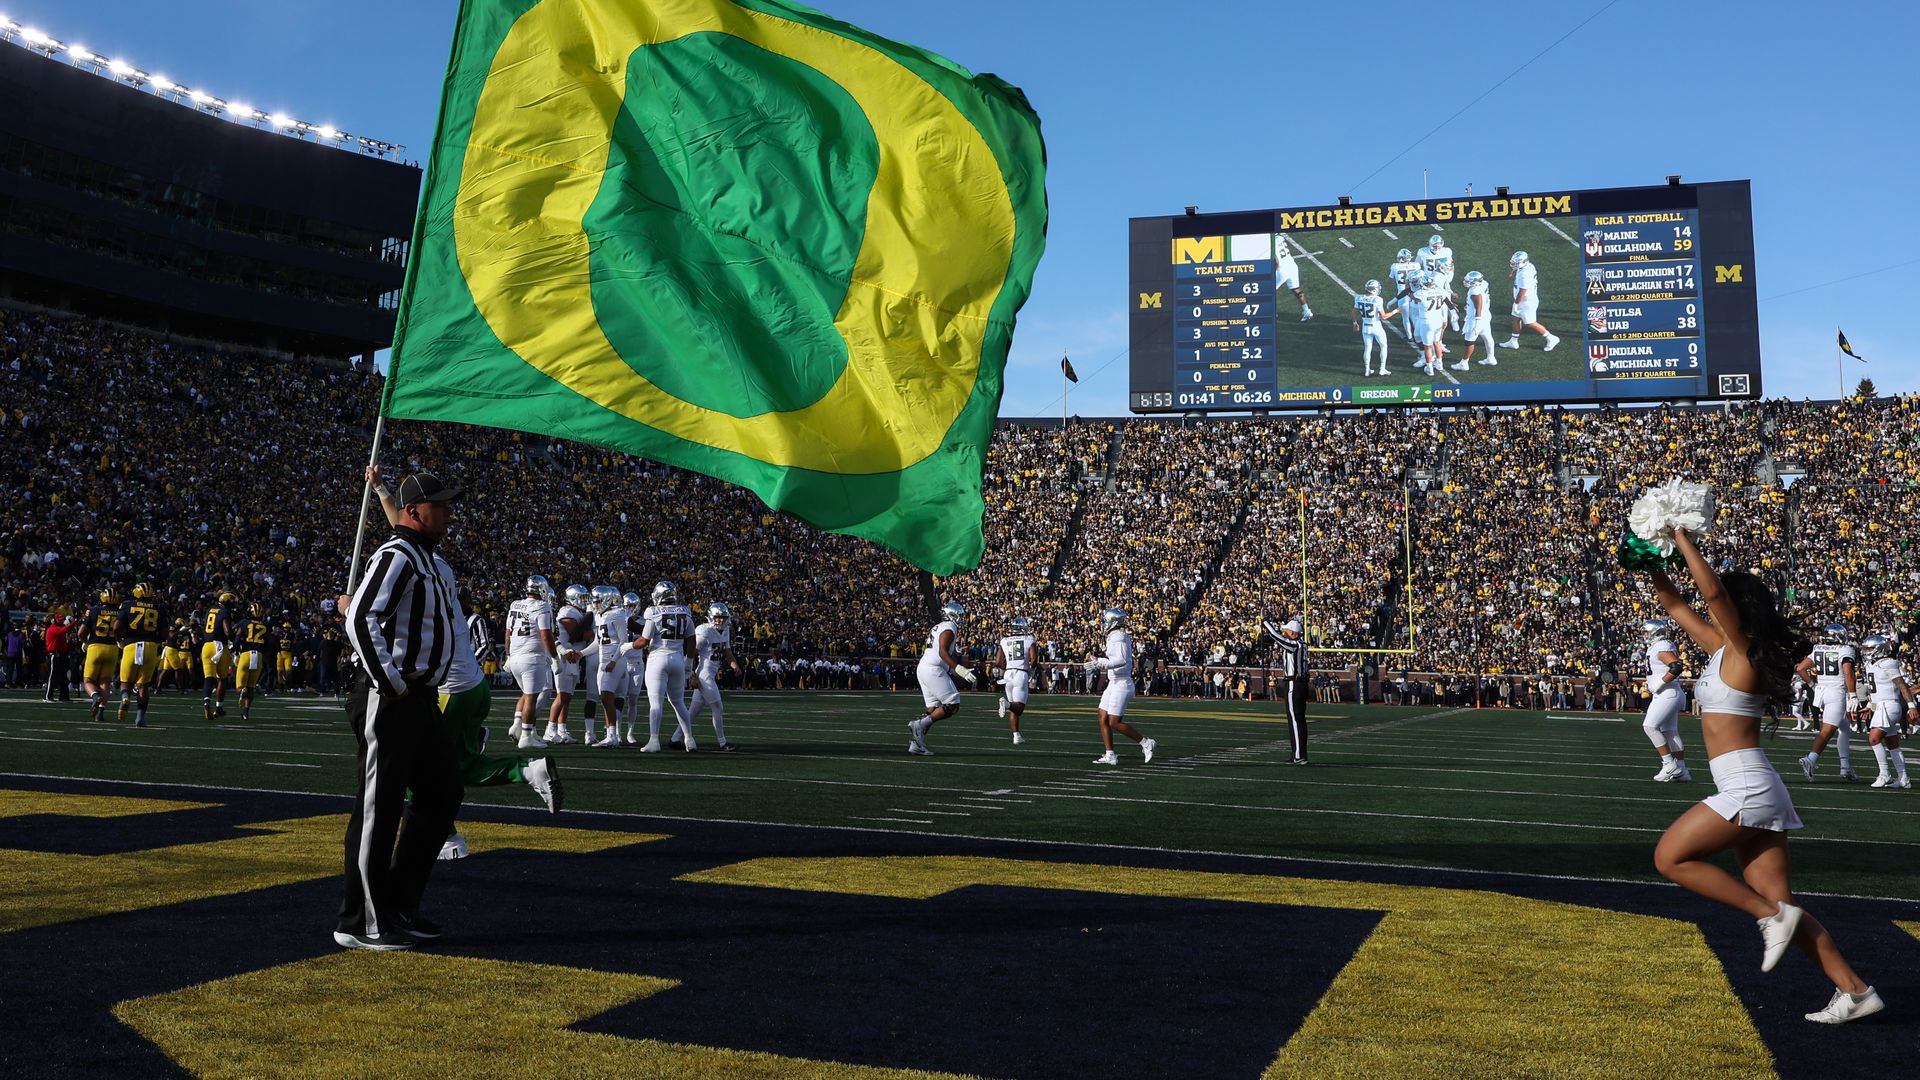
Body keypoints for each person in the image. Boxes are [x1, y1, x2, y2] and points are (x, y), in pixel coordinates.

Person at [1645, 527, 1881, 1024]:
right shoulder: (1720, 651)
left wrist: (1683, 533)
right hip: (1752, 786)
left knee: (1670, 857)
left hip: (1747, 787)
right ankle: (1855, 991)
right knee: (1785, 904)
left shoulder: (1746, 651)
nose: (1711, 609)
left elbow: (1708, 593)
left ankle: (1768, 917)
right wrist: (1648, 561)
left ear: (1737, 605)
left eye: (1722, 603)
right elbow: (1677, 606)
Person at [336, 469, 467, 951]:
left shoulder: (426, 559)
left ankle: (397, 903)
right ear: (415, 511)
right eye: (440, 504)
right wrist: (390, 682)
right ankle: (362, 920)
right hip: (391, 696)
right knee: (380, 806)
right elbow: (360, 616)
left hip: (421, 698)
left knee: (442, 792)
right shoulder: (397, 556)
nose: (448, 512)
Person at [631, 580, 698, 753]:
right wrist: (689, 663)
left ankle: (654, 741)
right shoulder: (685, 611)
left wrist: (627, 646)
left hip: (658, 658)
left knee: (656, 703)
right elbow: (692, 640)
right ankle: (689, 739)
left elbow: (644, 641)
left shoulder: (652, 611)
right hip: (677, 659)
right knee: (679, 702)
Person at [1087, 607, 1154, 765]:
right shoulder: (1114, 636)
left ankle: (1146, 743)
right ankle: (1110, 754)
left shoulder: (1118, 636)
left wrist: (1099, 663)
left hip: (1121, 683)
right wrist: (1097, 661)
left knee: (1114, 722)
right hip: (1113, 682)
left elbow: (1121, 660)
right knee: (1102, 717)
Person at [908, 601, 976, 756]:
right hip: (933, 669)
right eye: (959, 615)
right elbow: (942, 653)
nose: (962, 618)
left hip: (925, 667)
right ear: (952, 614)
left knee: (932, 709)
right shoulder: (949, 628)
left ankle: (917, 743)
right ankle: (919, 725)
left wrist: (953, 668)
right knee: (953, 704)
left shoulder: (939, 627)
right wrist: (959, 668)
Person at [1796, 625, 1860, 781]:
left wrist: (1812, 685)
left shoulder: (1818, 648)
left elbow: (1800, 668)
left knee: (1845, 728)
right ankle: (1811, 759)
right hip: (1836, 693)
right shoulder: (1845, 650)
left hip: (1822, 692)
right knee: (1827, 731)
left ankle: (1845, 766)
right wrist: (1852, 695)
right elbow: (1847, 671)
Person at [504, 575, 558, 749]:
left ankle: (522, 728)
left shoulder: (514, 605)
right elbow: (545, 635)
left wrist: (508, 655)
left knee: (527, 695)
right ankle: (526, 736)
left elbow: (508, 633)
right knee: (532, 699)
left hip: (515, 658)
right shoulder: (542, 606)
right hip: (532, 658)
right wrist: (555, 658)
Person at [1859, 634, 1914, 788]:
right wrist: (1871, 707)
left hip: (1889, 705)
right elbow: (1876, 692)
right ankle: (1904, 779)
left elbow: (1902, 685)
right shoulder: (1871, 665)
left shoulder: (1889, 663)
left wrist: (1911, 706)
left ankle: (1885, 774)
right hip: (1881, 706)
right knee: (1892, 744)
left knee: (1874, 739)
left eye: (1869, 648)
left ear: (1879, 649)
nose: (1866, 651)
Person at [1639, 618, 1692, 782]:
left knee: (1649, 726)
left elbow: (1676, 667)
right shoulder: (1655, 647)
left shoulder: (1662, 646)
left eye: (1647, 632)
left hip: (1667, 692)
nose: (1645, 635)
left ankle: (1669, 764)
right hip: (1666, 693)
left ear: (1656, 633)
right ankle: (1682, 770)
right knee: (1670, 732)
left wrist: (1659, 683)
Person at [686, 601, 741, 751]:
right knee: (717, 706)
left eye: (723, 617)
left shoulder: (726, 631)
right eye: (717, 617)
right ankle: (722, 743)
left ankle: (675, 739)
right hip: (704, 674)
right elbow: (691, 654)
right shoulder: (704, 631)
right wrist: (692, 675)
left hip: (710, 673)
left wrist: (734, 664)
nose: (720, 620)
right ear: (711, 617)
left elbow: (727, 651)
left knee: (693, 711)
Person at [114, 582, 167, 727]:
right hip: (150, 646)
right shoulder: (159, 608)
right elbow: (164, 634)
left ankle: (125, 697)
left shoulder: (127, 605)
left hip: (131, 645)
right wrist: (155, 641)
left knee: (126, 682)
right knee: (143, 685)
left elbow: (117, 627)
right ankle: (140, 718)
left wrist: (120, 640)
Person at [1263, 615, 1310, 764]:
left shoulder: (1294, 645)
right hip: (1301, 684)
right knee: (1299, 721)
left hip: (1293, 684)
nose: (1285, 633)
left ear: (1293, 633)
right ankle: (1299, 753)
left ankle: (1298, 755)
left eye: (1287, 631)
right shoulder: (1303, 645)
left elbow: (1275, 636)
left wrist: (1265, 620)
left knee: (1295, 721)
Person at [79, 587, 123, 722]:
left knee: (88, 680)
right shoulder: (120, 612)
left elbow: (81, 632)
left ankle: (94, 696)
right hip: (112, 648)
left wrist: (85, 642)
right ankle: (101, 713)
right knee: (105, 682)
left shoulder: (93, 611)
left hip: (95, 647)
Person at [996, 615, 1037, 745]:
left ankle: (1016, 736)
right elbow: (1034, 659)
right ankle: (1006, 704)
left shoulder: (1004, 640)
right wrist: (1031, 670)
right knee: (1018, 708)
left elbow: (998, 661)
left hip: (1008, 675)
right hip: (1021, 673)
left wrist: (1007, 667)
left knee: (1014, 705)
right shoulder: (1029, 639)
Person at [196, 592, 237, 720]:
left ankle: (206, 702)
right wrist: (234, 638)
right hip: (219, 647)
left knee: (209, 677)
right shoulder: (225, 612)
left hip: (206, 646)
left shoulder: (209, 610)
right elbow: (227, 632)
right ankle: (219, 707)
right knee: (222, 679)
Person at [233, 602, 273, 720]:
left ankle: (242, 691)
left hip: (246, 655)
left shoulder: (244, 623)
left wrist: (235, 651)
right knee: (251, 687)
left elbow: (237, 639)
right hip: (259, 656)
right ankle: (246, 712)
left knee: (239, 687)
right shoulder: (266, 626)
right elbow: (267, 644)